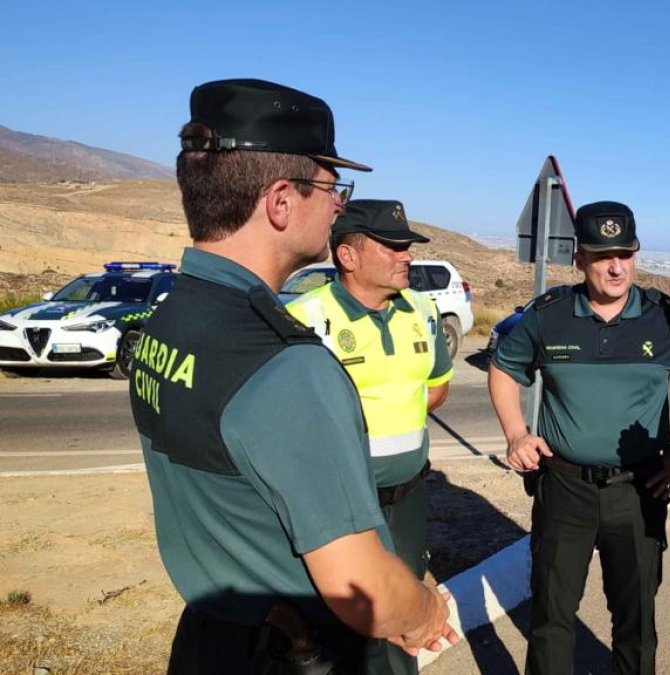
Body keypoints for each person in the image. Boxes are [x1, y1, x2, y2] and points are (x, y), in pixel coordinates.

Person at [127, 78, 456, 673]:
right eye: (332, 186)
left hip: (208, 640)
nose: (337, 205)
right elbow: (366, 590)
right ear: (281, 201)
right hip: (291, 653)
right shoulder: (286, 365)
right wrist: (426, 612)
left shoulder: (168, 322)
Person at [488, 201, 670, 674]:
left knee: (636, 625)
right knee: (551, 619)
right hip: (563, 489)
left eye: (625, 253)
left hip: (640, 490)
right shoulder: (547, 315)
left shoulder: (666, 319)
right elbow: (502, 368)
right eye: (601, 255)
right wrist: (516, 433)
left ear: (635, 254)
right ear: (580, 259)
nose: (615, 266)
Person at [287, 198, 453, 675]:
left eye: (408, 247)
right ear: (348, 256)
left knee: (405, 611)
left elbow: (435, 389)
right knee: (343, 620)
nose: (407, 256)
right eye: (393, 247)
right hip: (336, 503)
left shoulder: (421, 309)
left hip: (407, 497)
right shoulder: (304, 319)